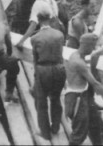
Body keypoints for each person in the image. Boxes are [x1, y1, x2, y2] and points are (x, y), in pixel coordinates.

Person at [65, 33, 103, 146]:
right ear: (86, 45)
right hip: (77, 100)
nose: (94, 49)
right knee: (79, 133)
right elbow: (95, 83)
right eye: (93, 46)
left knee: (95, 121)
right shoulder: (79, 62)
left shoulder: (77, 55)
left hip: (83, 95)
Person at [31, 11, 67, 141]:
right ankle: (56, 127)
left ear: (38, 20)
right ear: (50, 19)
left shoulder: (35, 38)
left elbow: (35, 59)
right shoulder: (59, 35)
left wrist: (36, 77)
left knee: (41, 102)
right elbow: (61, 53)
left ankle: (45, 133)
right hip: (59, 68)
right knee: (56, 99)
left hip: (43, 69)